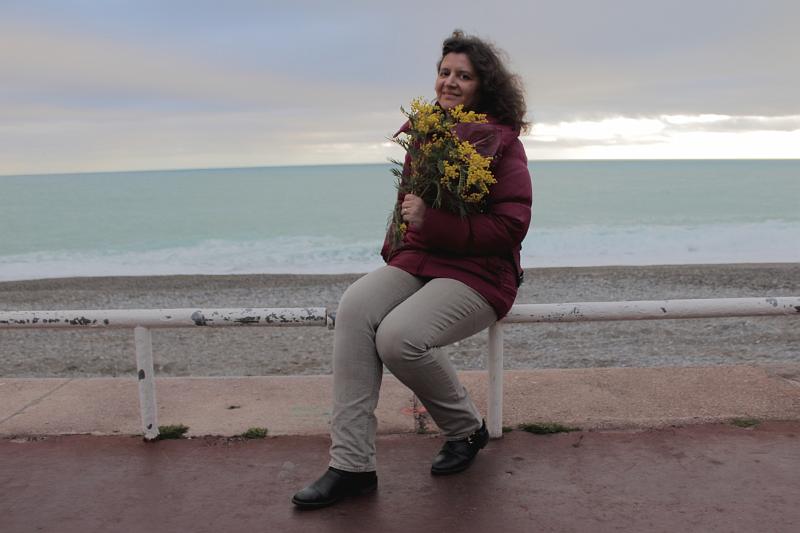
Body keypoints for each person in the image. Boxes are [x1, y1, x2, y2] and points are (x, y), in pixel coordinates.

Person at [292, 30, 532, 509]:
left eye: (463, 76)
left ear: (483, 85)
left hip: (481, 273)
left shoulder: (502, 143)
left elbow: (511, 226)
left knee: (399, 337)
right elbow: (405, 208)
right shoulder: (427, 133)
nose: (449, 82)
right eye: (444, 72)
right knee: (357, 306)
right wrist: (396, 261)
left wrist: (433, 222)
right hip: (421, 260)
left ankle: (465, 429)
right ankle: (352, 465)